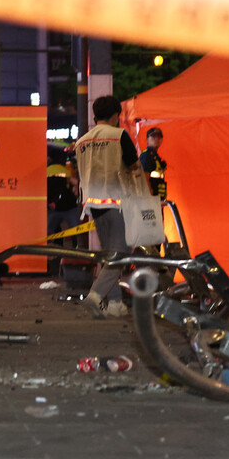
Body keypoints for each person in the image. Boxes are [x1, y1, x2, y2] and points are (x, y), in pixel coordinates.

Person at [74, 95, 143, 319]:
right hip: (117, 202)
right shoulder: (118, 135)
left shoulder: (82, 141)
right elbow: (134, 166)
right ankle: (95, 296)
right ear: (115, 115)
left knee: (108, 255)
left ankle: (114, 303)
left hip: (94, 205)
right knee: (120, 254)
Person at [139, 127, 167, 201]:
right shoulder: (146, 156)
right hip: (150, 199)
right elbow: (144, 178)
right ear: (147, 139)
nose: (156, 139)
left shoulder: (155, 156)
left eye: (159, 137)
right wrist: (149, 197)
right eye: (153, 136)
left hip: (158, 198)